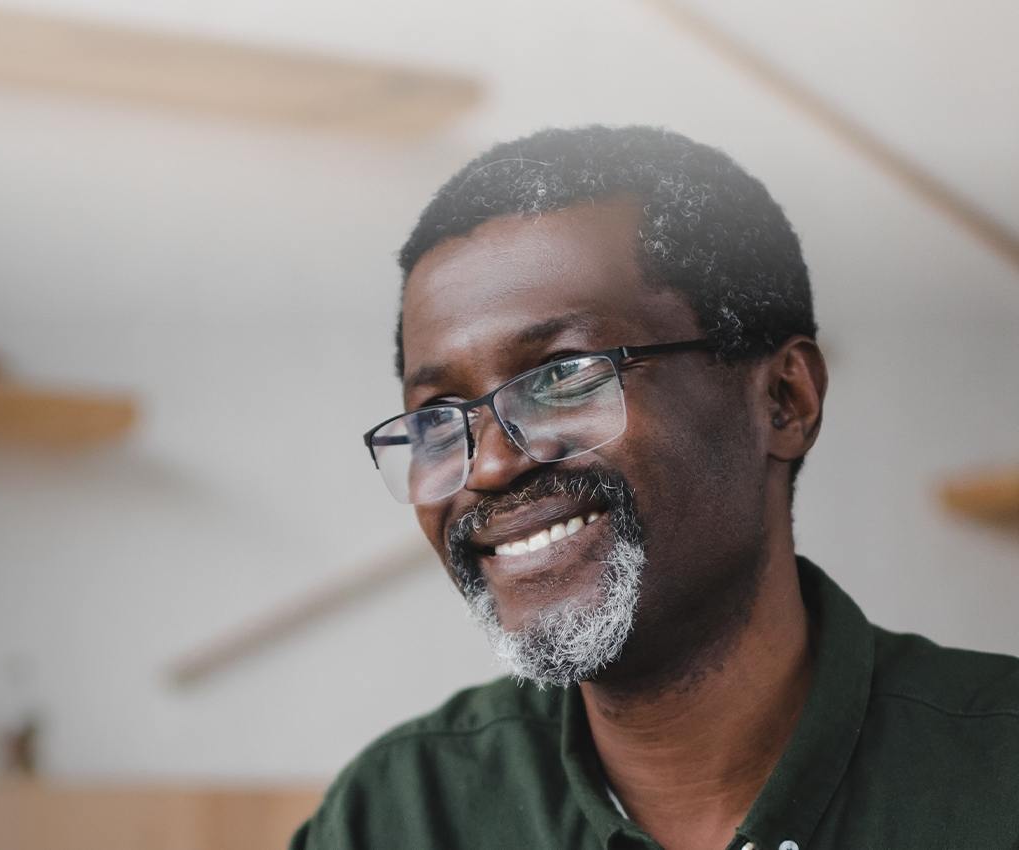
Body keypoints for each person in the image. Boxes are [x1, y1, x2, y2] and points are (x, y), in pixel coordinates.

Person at [289, 125, 1019, 850]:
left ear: (784, 402)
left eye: (563, 377)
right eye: (437, 418)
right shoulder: (398, 815)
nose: (488, 467)